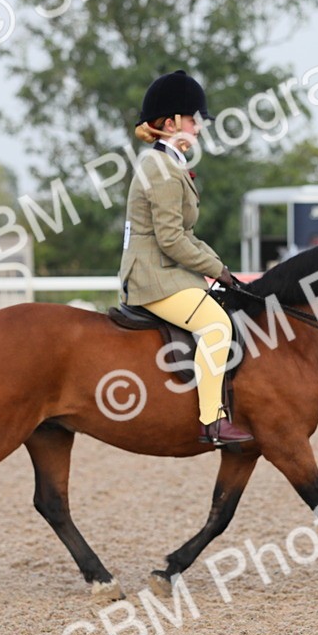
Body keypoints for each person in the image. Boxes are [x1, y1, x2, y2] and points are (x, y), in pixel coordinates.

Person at [118, 70, 253, 444]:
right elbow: (171, 239)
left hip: (167, 271)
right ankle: (212, 420)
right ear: (171, 121)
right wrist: (216, 270)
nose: (198, 128)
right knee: (216, 326)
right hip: (153, 276)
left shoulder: (168, 163)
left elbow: (187, 235)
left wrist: (222, 269)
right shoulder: (159, 167)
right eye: (193, 119)